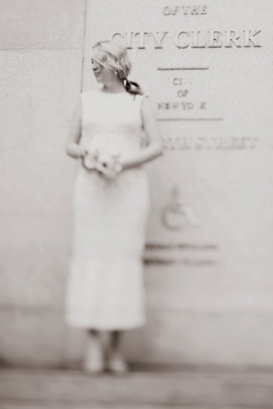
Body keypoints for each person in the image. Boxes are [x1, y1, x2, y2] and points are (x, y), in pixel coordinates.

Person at [64, 40, 163, 374]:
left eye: (98, 61)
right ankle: (93, 347)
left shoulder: (140, 102)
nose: (92, 67)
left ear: (116, 64)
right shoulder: (85, 100)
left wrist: (124, 163)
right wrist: (88, 156)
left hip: (129, 191)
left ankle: (116, 349)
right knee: (91, 261)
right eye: (91, 61)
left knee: (122, 263)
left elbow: (157, 146)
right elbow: (70, 144)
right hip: (91, 190)